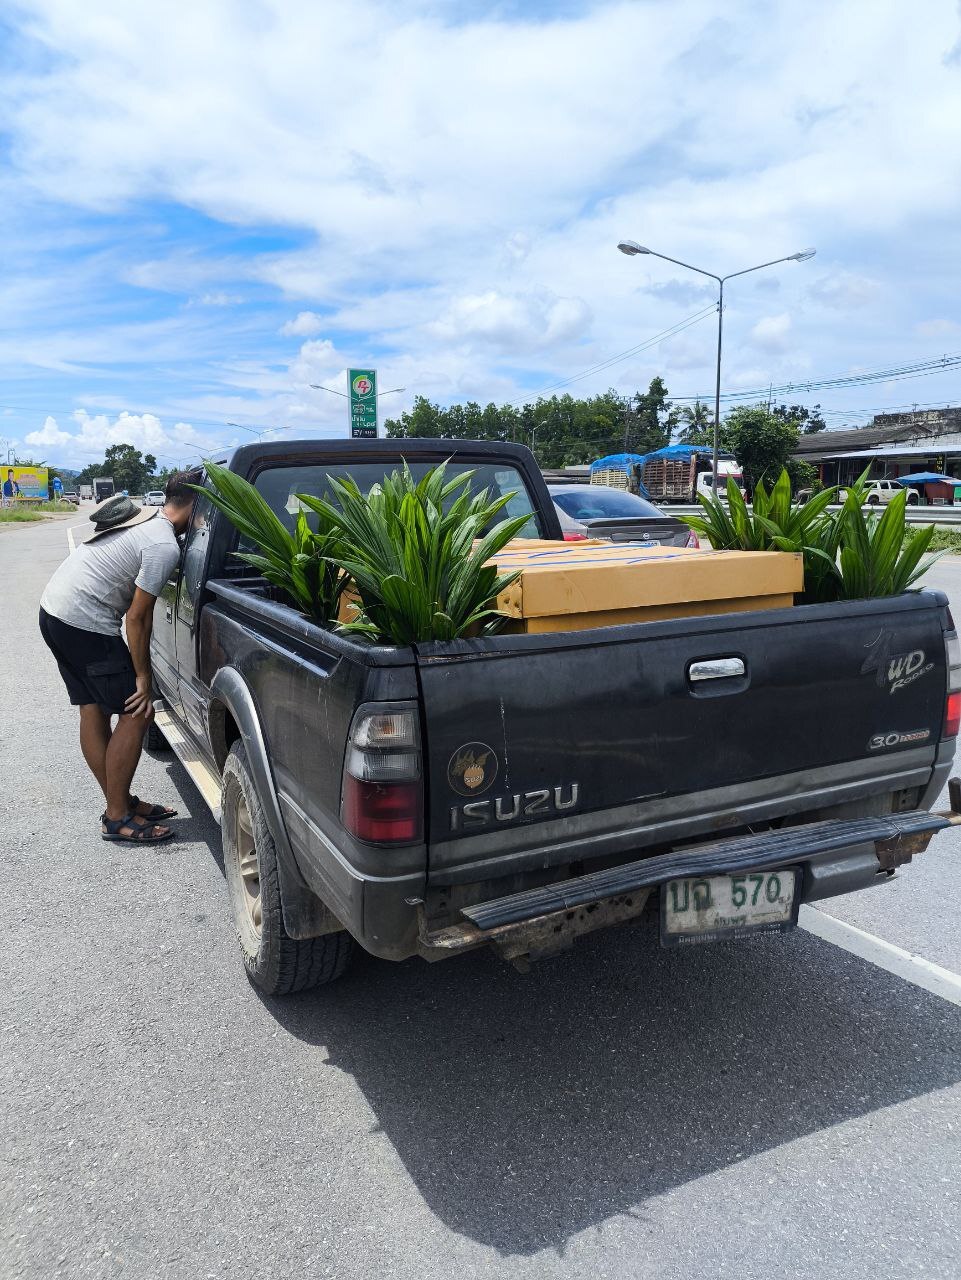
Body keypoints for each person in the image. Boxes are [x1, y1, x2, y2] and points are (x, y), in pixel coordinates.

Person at [38, 473, 197, 843]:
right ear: (195, 504)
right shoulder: (164, 546)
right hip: (83, 623)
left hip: (54, 612)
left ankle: (119, 800)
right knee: (138, 710)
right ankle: (118, 817)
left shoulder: (148, 523)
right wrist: (143, 678)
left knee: (92, 707)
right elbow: (136, 617)